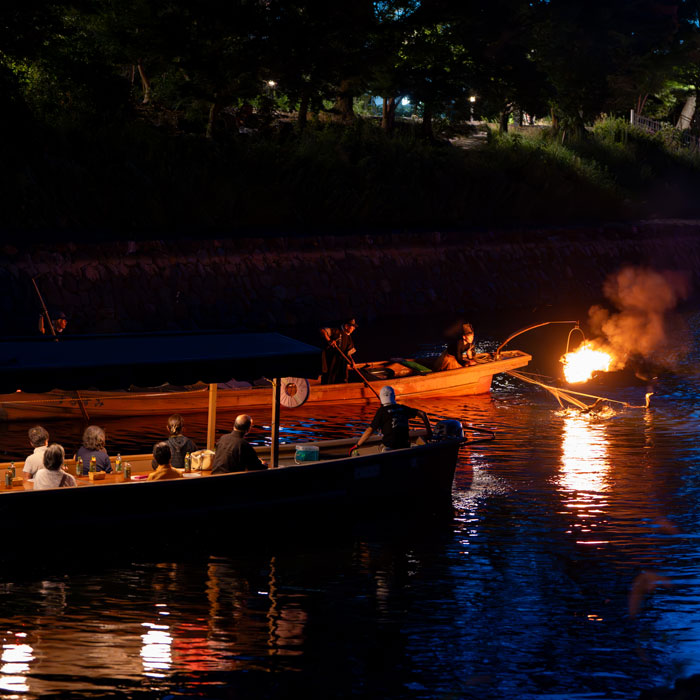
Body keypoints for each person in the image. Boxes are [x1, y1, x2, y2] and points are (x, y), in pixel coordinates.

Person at [351, 386, 432, 453]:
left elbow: (370, 430)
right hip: (405, 446)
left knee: (356, 453)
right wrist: (429, 433)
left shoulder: (382, 411)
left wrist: (357, 445)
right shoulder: (402, 408)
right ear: (394, 397)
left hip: (389, 449)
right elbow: (423, 414)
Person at [320, 318, 358, 384]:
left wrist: (352, 361)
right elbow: (322, 330)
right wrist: (329, 340)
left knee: (343, 379)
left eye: (354, 327)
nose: (354, 328)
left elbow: (349, 352)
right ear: (346, 326)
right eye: (353, 326)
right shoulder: (336, 331)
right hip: (331, 360)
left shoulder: (349, 338)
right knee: (329, 378)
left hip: (341, 362)